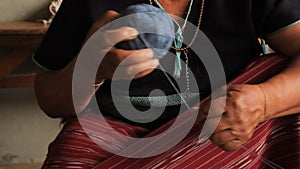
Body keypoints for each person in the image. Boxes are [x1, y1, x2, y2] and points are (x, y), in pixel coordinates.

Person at [33, 0, 300, 168]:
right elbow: (49, 100)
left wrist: (265, 101)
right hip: (113, 135)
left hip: (218, 126)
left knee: (278, 77)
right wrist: (93, 67)